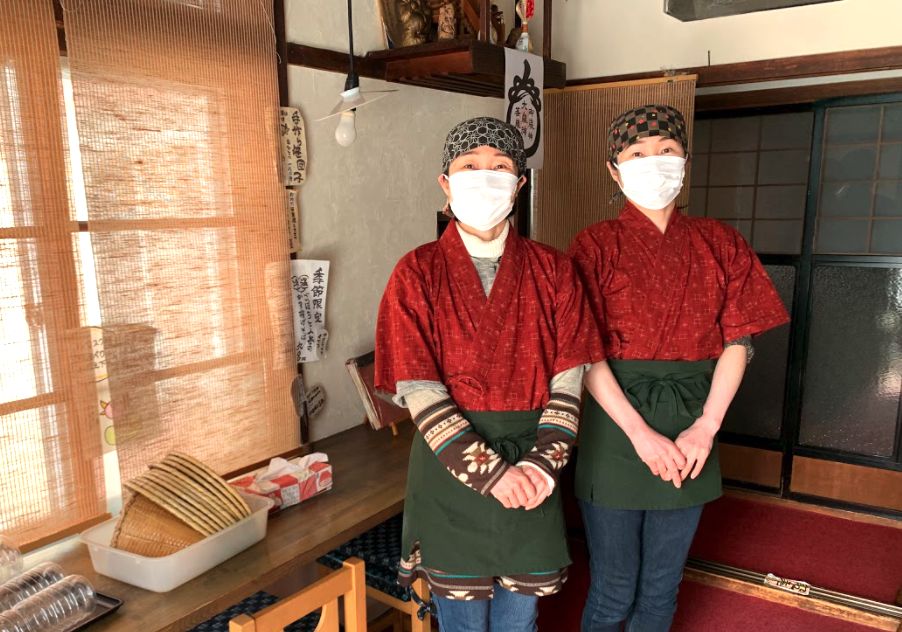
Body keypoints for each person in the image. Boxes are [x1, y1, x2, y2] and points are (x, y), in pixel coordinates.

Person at [375, 117, 604, 632]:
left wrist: (542, 466)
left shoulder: (554, 270)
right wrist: (493, 475)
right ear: (445, 182)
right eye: (469, 166)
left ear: (519, 184)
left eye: (500, 167)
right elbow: (419, 387)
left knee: (518, 624)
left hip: (535, 462)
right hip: (450, 466)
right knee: (461, 627)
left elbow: (569, 376)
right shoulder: (415, 272)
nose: (485, 176)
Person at [569, 105, 790, 632]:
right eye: (637, 153)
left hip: (696, 420)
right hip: (616, 424)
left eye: (666, 150)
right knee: (613, 589)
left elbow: (739, 340)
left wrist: (706, 427)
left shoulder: (722, 242)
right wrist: (639, 433)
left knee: (662, 586)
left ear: (685, 162)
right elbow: (583, 351)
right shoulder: (593, 245)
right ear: (614, 170)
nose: (654, 162)